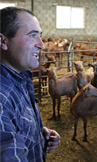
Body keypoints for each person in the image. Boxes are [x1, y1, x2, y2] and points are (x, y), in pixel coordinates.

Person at [0, 7, 61, 161]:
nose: (41, 44)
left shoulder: (18, 77)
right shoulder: (2, 98)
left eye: (40, 36)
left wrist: (37, 133)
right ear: (3, 41)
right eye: (32, 35)